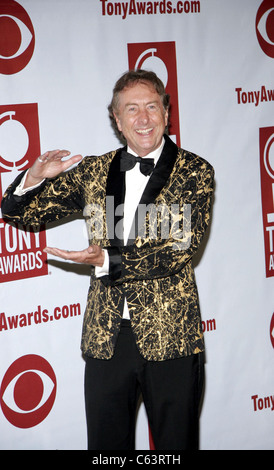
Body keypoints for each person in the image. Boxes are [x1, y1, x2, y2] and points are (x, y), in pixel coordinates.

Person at [1, 70, 214, 451]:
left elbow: (179, 249)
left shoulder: (194, 172)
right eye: (131, 109)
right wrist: (32, 178)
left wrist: (106, 261)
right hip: (107, 338)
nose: (143, 118)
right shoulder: (94, 171)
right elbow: (22, 214)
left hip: (172, 340)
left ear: (166, 112)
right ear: (117, 120)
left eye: (151, 106)